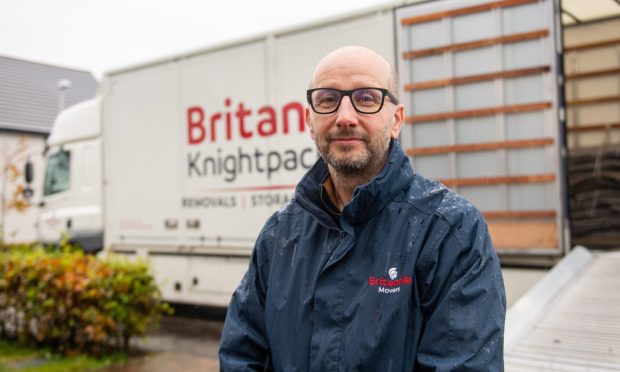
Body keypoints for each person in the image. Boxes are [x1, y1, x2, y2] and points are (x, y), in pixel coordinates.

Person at [219, 46, 506, 371]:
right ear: (309, 120)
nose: (344, 117)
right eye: (327, 99)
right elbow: (241, 357)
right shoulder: (279, 237)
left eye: (366, 98)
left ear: (396, 120)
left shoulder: (450, 232)